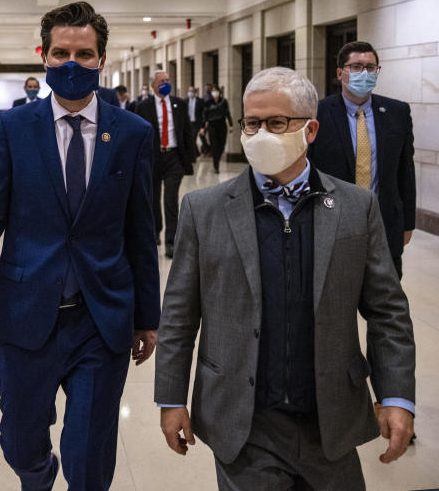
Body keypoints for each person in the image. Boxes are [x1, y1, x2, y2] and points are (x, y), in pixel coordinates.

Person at [155, 67, 415, 490]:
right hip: (245, 421)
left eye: (277, 123)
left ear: (310, 130)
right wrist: (171, 399)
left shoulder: (355, 207)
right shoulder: (204, 210)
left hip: (329, 419)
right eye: (252, 123)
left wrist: (396, 394)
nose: (260, 134)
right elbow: (180, 316)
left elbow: (388, 313)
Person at [0, 1, 160, 491]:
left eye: (85, 54)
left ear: (101, 60)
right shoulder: (13, 129)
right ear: (43, 56)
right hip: (25, 312)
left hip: (101, 315)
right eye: (61, 52)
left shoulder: (132, 133)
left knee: (91, 452)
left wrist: (148, 317)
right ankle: (38, 473)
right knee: (21, 439)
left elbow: (141, 230)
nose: (73, 63)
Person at [308, 41, 415, 278]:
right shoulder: (318, 113)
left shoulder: (397, 113)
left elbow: (405, 172)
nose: (364, 73)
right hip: (333, 224)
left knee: (387, 304)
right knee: (337, 303)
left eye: (370, 67)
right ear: (340, 73)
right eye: (356, 67)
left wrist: (408, 223)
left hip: (384, 224)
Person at [135, 70, 195, 259]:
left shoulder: (179, 104)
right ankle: (155, 233)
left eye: (168, 80)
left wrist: (192, 155)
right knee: (152, 198)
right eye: (161, 81)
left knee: (171, 198)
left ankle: (171, 240)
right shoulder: (143, 106)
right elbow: (137, 134)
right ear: (153, 85)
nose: (165, 83)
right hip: (152, 157)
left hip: (173, 157)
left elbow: (187, 131)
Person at [201, 84, 232, 173]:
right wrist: (202, 127)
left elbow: (227, 113)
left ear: (219, 92)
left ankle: (217, 159)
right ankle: (216, 166)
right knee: (214, 146)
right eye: (213, 91)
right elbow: (205, 116)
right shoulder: (208, 102)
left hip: (222, 126)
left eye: (216, 91)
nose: (215, 92)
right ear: (211, 92)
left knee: (221, 146)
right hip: (212, 126)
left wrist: (231, 125)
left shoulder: (224, 101)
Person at [186, 86, 207, 155]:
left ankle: (195, 153)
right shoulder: (185, 101)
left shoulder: (200, 101)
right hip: (188, 123)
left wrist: (202, 126)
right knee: (191, 138)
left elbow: (203, 113)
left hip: (197, 123)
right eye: (189, 91)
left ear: (195, 92)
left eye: (192, 91)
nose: (190, 93)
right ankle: (196, 152)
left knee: (193, 137)